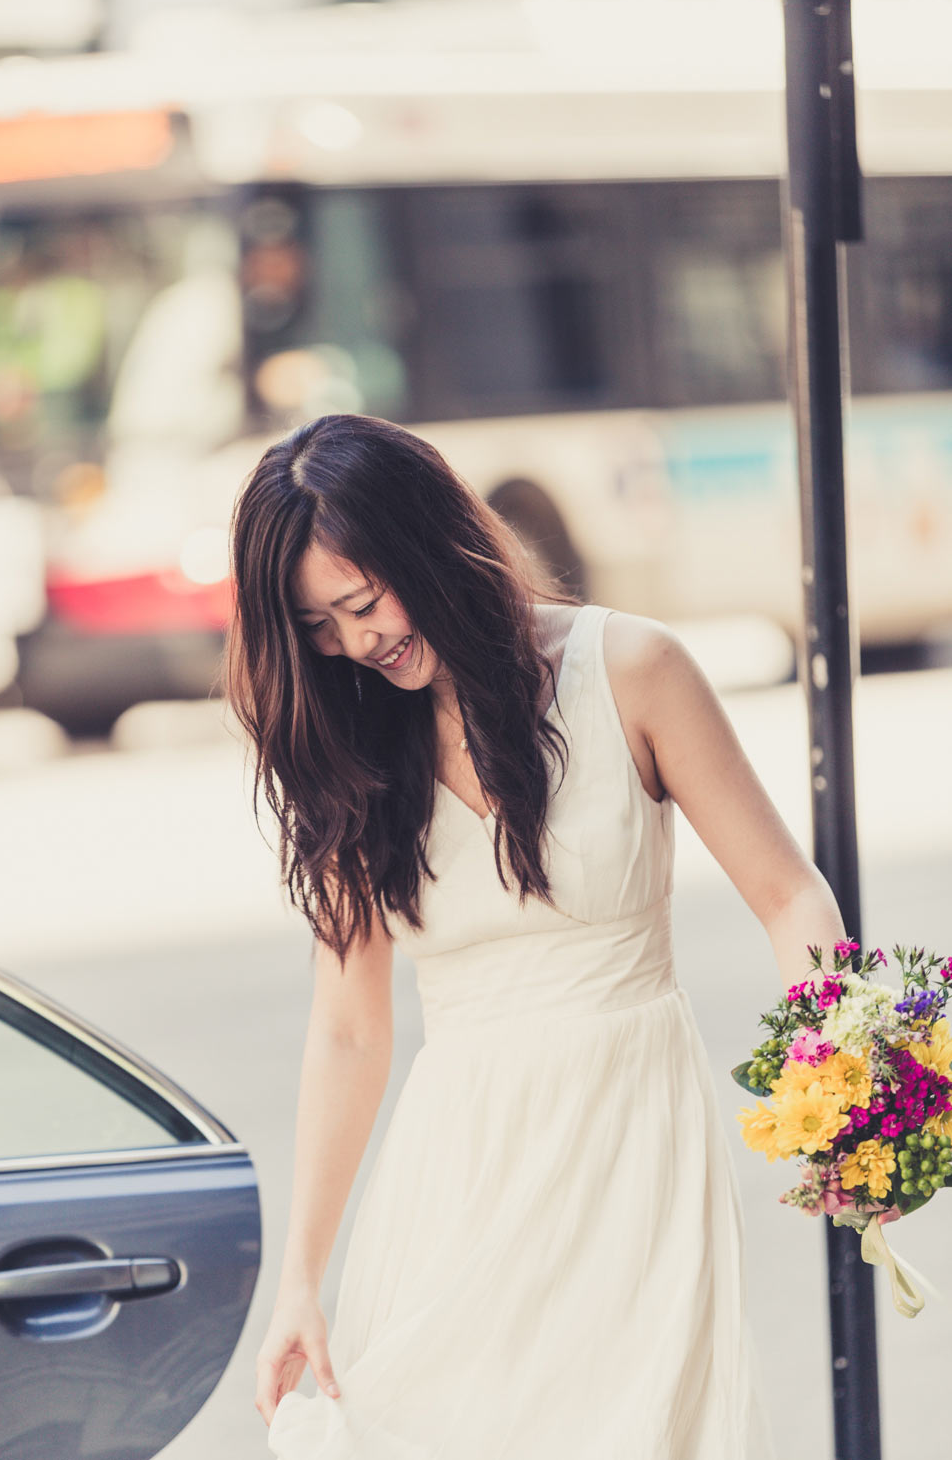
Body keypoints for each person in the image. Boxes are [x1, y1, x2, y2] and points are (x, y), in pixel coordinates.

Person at [226, 412, 846, 1459]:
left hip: (633, 1148)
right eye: (320, 626)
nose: (356, 642)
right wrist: (298, 1283)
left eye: (362, 600)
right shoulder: (350, 745)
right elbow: (347, 1033)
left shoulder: (633, 669)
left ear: (424, 540)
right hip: (459, 1168)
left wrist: (836, 1082)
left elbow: (789, 896)